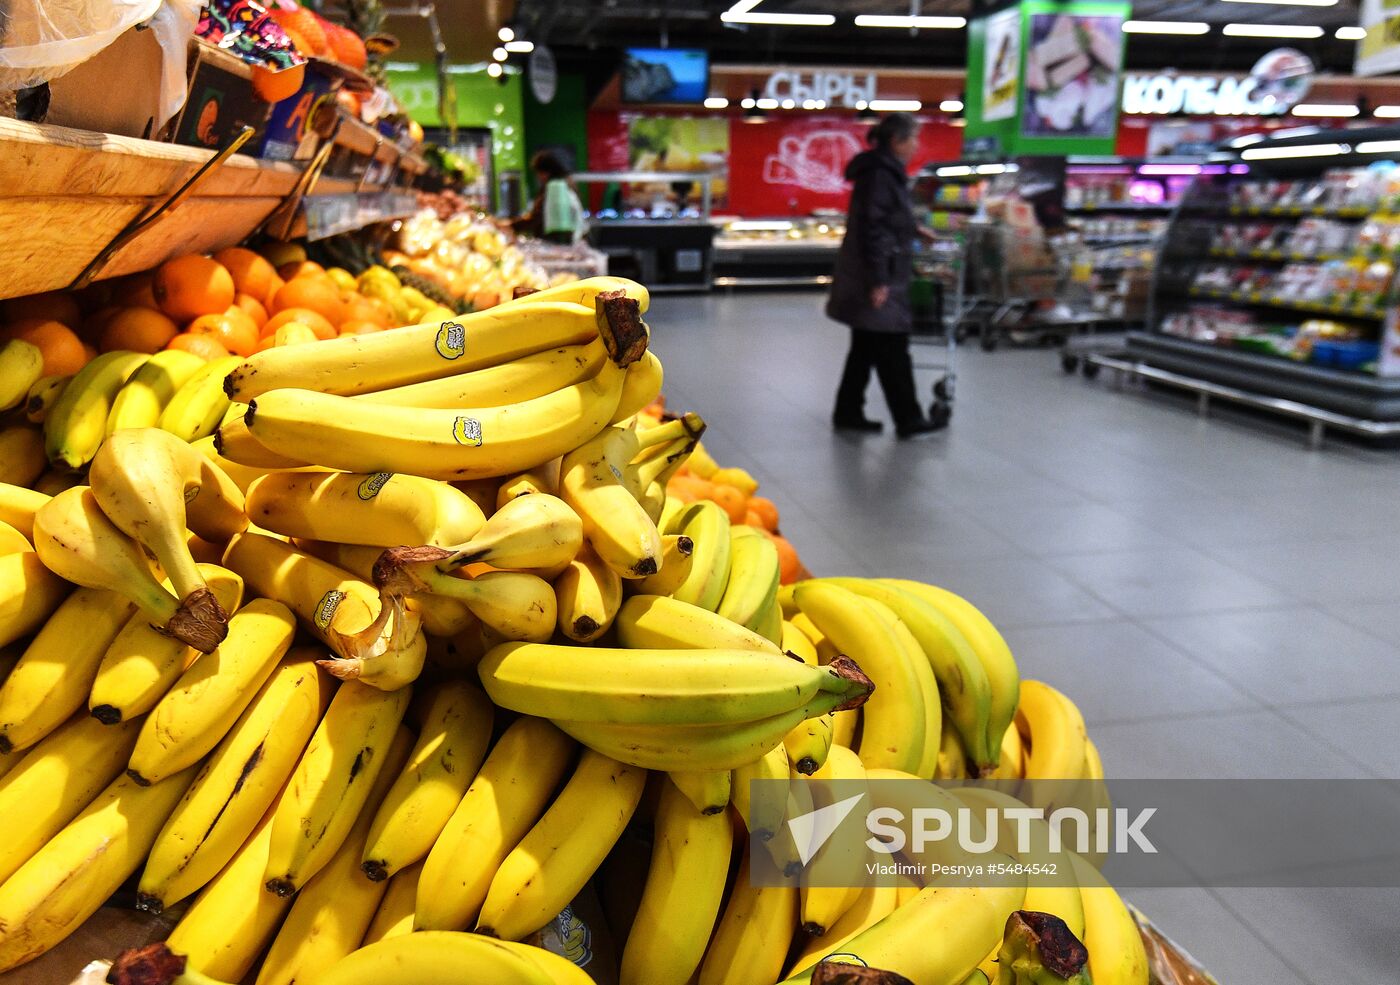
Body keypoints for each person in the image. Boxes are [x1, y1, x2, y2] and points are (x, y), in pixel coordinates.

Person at [826, 113, 942, 438]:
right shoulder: (881, 174)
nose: (917, 145)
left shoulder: (881, 171)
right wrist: (878, 281)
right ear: (897, 141)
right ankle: (909, 419)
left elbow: (882, 218)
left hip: (873, 270)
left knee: (864, 346)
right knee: (892, 346)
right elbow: (873, 229)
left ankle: (848, 411)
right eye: (914, 138)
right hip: (879, 273)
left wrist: (913, 228)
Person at [513, 150, 586, 244]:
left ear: (546, 172)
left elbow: (537, 216)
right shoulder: (567, 183)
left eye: (538, 173)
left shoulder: (555, 188)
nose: (538, 177)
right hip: (570, 239)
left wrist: (512, 225)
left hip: (555, 241)